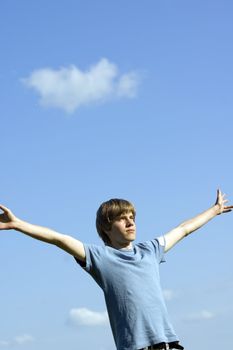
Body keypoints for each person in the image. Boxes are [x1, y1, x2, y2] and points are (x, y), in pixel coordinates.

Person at [0, 189, 232, 350]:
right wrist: (18, 224)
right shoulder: (100, 257)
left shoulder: (150, 250)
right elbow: (58, 239)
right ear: (107, 228)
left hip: (169, 342)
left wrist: (214, 211)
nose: (130, 222)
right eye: (122, 219)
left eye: (132, 217)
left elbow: (183, 229)